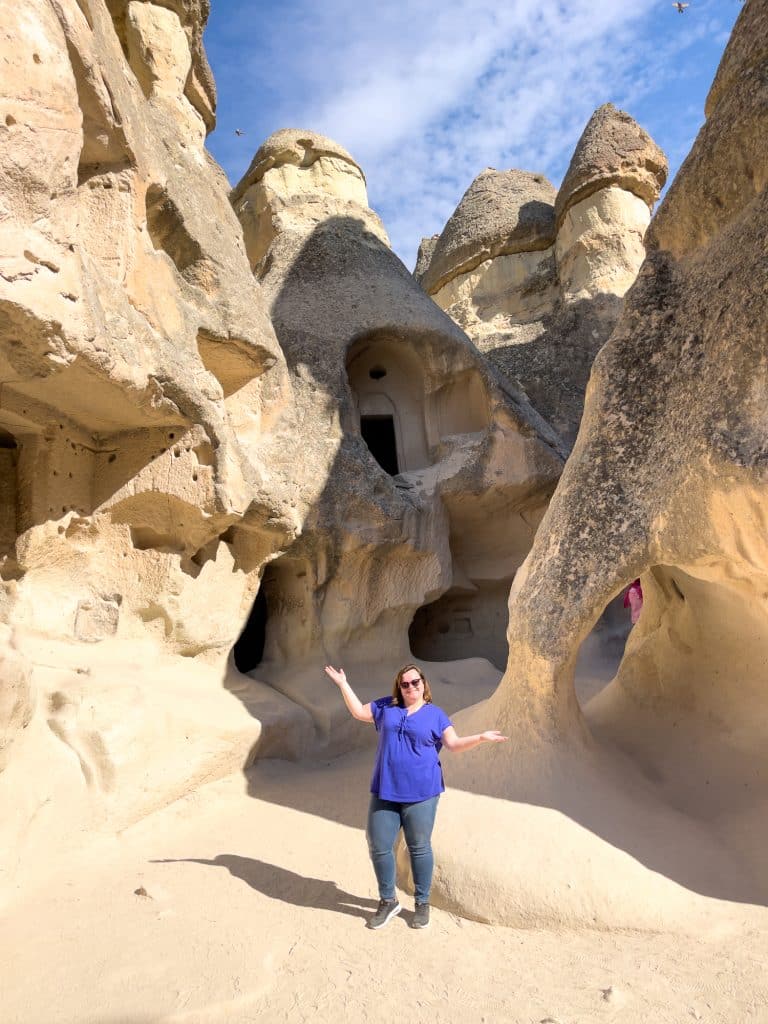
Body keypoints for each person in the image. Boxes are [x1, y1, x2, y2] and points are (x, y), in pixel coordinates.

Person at [323, 662, 508, 930]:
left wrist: (480, 737)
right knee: (378, 843)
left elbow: (453, 744)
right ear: (399, 686)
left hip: (422, 792)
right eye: (405, 683)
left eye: (415, 682)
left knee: (418, 846)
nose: (411, 687)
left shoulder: (435, 715)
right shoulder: (387, 706)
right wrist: (343, 684)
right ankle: (388, 900)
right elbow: (359, 712)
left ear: (424, 684)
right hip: (386, 788)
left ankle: (422, 903)